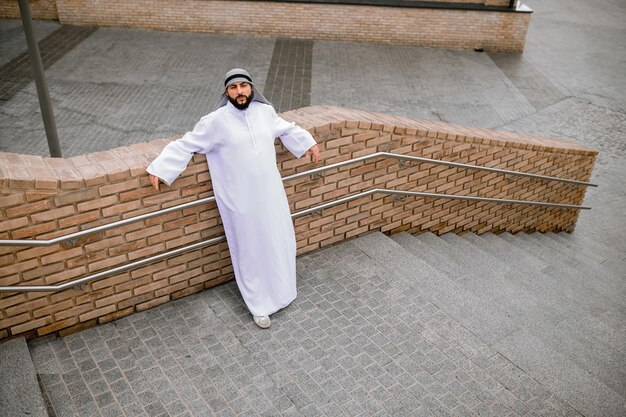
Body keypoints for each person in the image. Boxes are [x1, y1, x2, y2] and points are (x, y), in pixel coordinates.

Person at [146, 68, 320, 329]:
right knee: (249, 250)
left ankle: (284, 292)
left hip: (270, 194)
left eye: (244, 86)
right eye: (233, 88)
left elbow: (286, 128)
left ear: (252, 88)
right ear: (226, 92)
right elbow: (187, 143)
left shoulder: (265, 112)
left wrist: (307, 142)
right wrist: (160, 167)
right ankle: (259, 305)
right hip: (240, 200)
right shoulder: (215, 121)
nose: (240, 92)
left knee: (278, 240)